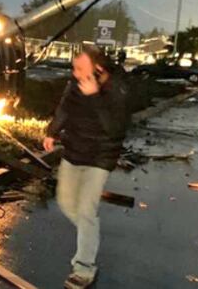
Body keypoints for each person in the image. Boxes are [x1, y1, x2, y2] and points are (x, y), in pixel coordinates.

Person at [43, 45, 129, 289]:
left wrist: (94, 97)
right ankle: (89, 233)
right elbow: (65, 107)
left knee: (85, 211)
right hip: (74, 152)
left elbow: (114, 128)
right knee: (66, 203)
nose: (75, 73)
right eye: (74, 68)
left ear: (98, 69)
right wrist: (52, 132)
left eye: (80, 68)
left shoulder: (117, 88)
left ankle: (83, 268)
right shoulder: (75, 84)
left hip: (100, 158)